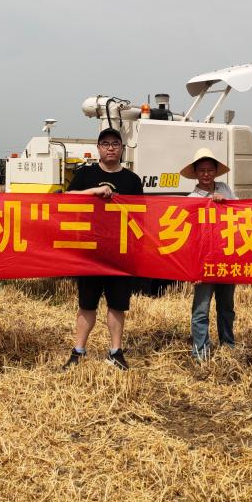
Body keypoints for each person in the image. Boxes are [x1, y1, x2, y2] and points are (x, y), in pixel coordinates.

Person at [61, 127, 144, 371]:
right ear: (98, 148)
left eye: (115, 144)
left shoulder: (132, 180)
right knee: (87, 304)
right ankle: (78, 351)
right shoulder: (86, 174)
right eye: (105, 143)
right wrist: (94, 192)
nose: (110, 148)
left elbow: (142, 215)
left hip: (120, 252)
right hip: (90, 251)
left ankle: (115, 352)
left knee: (117, 305)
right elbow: (67, 198)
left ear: (122, 148)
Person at [181, 147, 237, 361]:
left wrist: (226, 203)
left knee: (227, 307)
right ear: (196, 173)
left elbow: (242, 211)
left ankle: (228, 346)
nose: (206, 174)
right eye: (202, 170)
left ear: (216, 172)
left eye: (210, 170)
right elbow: (189, 236)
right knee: (201, 309)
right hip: (203, 260)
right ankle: (201, 352)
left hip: (226, 257)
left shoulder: (225, 189)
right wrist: (192, 267)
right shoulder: (191, 199)